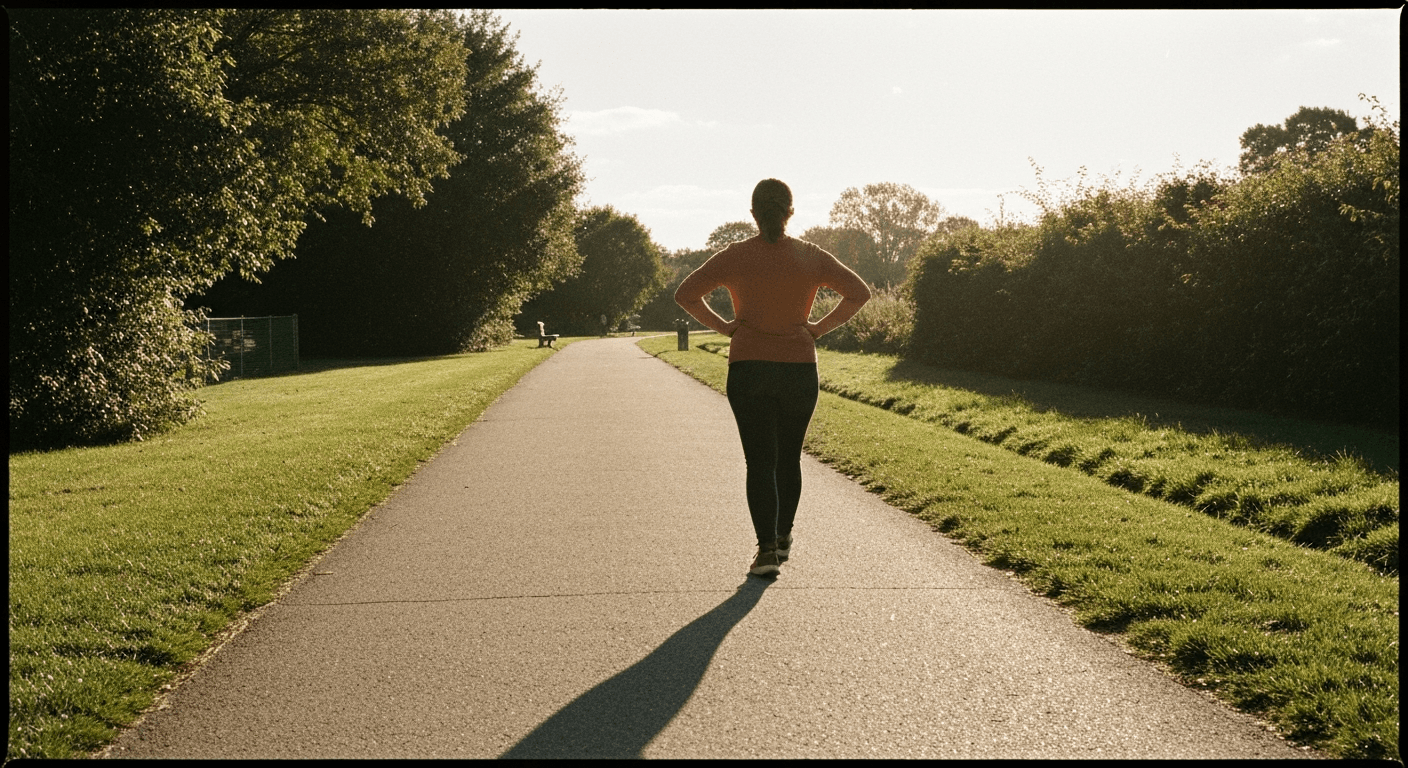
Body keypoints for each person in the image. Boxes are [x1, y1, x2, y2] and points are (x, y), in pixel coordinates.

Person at [675, 179, 871, 577]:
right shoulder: (810, 255)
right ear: (790, 213)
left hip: (749, 367)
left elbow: (686, 294)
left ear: (753, 213)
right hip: (799, 366)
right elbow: (859, 292)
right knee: (789, 458)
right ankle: (783, 537)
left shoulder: (735, 256)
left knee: (759, 460)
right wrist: (816, 328)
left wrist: (726, 327)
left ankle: (766, 551)